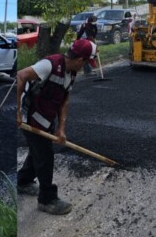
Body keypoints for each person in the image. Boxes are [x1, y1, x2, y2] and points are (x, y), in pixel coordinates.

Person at [16, 38, 98, 215]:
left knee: (37, 151)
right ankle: (47, 199)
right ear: (80, 60)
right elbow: (21, 75)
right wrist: (17, 113)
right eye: (86, 63)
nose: (85, 67)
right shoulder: (49, 65)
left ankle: (23, 181)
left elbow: (64, 100)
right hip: (29, 117)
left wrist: (61, 128)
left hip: (46, 116)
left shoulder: (71, 72)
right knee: (45, 155)